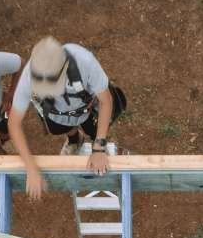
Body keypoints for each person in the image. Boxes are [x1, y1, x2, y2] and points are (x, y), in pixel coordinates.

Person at [7, 36, 127, 199]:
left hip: (88, 111)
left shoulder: (85, 62)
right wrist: (30, 167)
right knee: (60, 129)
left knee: (95, 130)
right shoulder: (31, 74)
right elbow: (14, 124)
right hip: (57, 114)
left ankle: (97, 142)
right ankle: (74, 139)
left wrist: (99, 148)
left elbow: (106, 101)